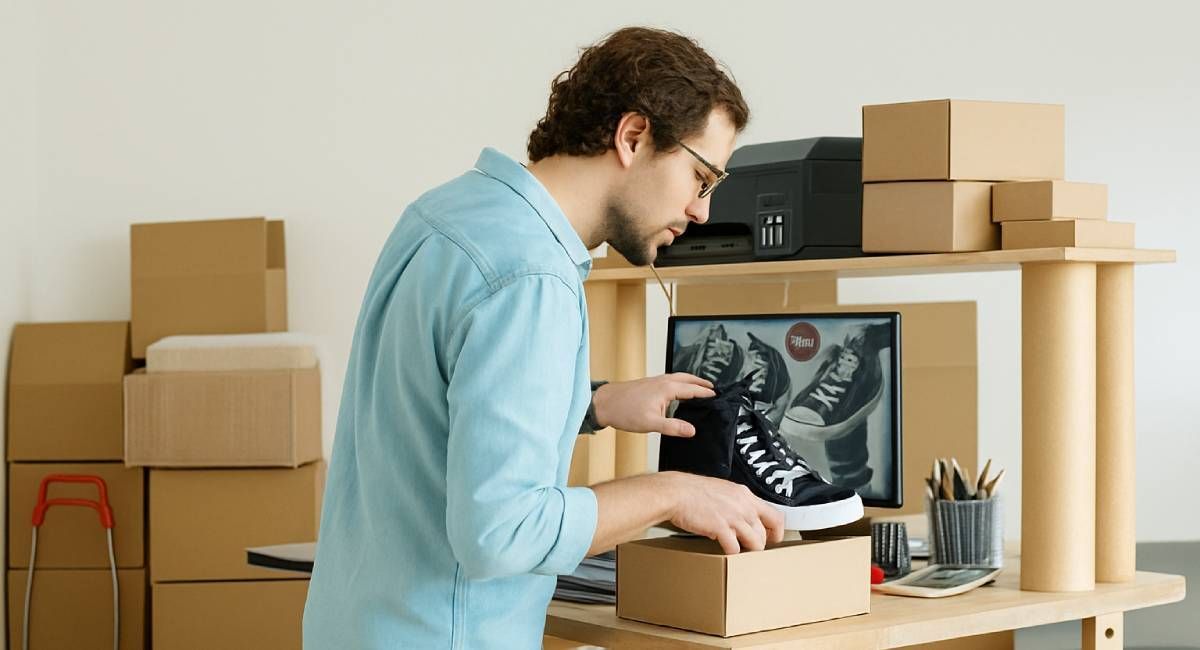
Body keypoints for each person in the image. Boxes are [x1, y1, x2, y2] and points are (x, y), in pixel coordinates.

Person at [302, 26, 785, 649]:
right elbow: (503, 532)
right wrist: (674, 492)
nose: (702, 212)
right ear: (633, 137)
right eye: (702, 177)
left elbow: (430, 403)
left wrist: (594, 402)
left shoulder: (447, 213)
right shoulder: (532, 277)